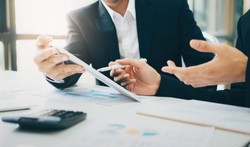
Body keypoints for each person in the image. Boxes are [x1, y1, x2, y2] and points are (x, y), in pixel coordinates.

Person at [33, 0, 215, 91]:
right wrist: (55, 65)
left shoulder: (171, 6)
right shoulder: (80, 18)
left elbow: (204, 67)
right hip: (112, 114)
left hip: (168, 103)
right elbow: (73, 58)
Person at [111, 10, 250, 107]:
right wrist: (160, 85)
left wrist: (245, 70)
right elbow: (241, 101)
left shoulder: (170, 6)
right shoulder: (246, 22)